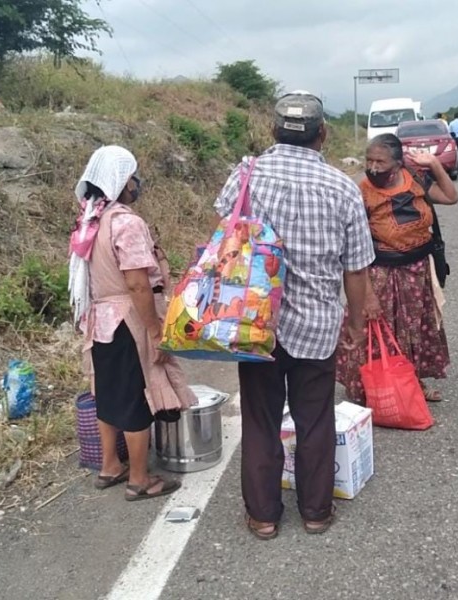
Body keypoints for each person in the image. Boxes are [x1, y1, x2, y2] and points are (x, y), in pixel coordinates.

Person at [213, 91, 374, 540]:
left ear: (272, 131)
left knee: (261, 418)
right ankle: (316, 512)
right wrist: (356, 325)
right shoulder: (343, 188)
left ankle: (264, 516)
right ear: (323, 135)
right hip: (318, 325)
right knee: (315, 419)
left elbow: (224, 233)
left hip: (254, 322)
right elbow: (356, 267)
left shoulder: (246, 175)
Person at [69, 145, 195, 500]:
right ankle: (139, 479)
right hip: (128, 320)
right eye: (132, 177)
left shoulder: (89, 220)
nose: (136, 183)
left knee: (108, 394)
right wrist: (154, 329)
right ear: (122, 181)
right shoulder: (125, 223)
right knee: (138, 398)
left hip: (100, 320)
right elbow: (138, 282)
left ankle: (110, 465)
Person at [336, 133, 458, 403]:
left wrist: (435, 165)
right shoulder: (362, 192)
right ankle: (370, 388)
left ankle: (413, 383)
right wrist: (366, 295)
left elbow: (451, 197)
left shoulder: (415, 179)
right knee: (376, 330)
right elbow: (355, 247)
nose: (373, 167)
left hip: (416, 271)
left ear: (398, 162)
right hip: (380, 273)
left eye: (380, 161)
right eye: (369, 161)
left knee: (415, 329)